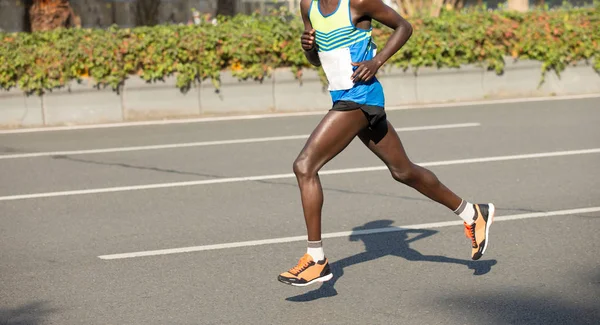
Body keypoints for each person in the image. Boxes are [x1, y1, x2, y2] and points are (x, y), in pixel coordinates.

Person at [277, 0, 495, 287]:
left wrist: (376, 61)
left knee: (304, 166)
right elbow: (318, 59)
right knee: (403, 171)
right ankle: (472, 212)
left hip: (360, 98)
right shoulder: (309, 6)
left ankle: (316, 259)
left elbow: (404, 26)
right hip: (345, 98)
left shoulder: (357, 3)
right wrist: (308, 48)